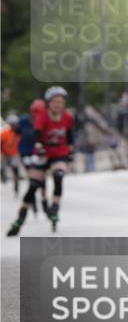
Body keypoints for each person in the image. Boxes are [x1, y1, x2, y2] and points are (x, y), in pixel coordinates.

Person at [7, 87, 74, 236]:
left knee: (59, 175)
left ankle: (54, 208)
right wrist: (38, 147)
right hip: (43, 152)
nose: (58, 105)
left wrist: (71, 150)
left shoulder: (68, 117)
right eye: (55, 102)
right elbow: (37, 136)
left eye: (61, 102)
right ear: (49, 103)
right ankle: (20, 219)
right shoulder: (42, 116)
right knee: (33, 186)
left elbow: (70, 136)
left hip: (59, 152)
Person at [1, 114, 22, 193]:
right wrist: (3, 151)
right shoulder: (5, 133)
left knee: (15, 169)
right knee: (2, 166)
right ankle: (3, 175)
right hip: (4, 153)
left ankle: (16, 183)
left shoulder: (19, 133)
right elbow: (1, 143)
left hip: (15, 153)